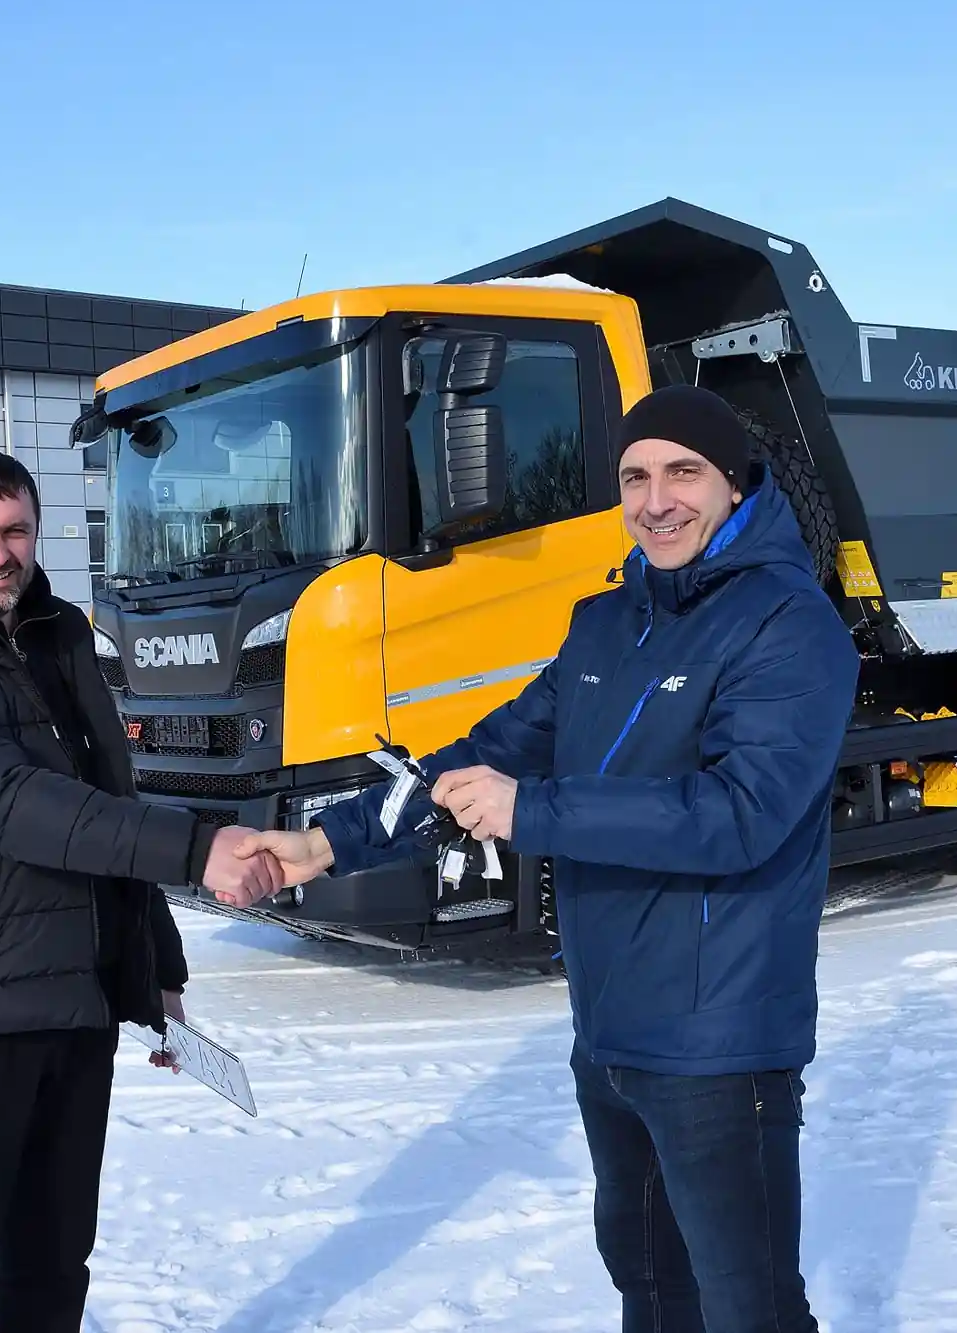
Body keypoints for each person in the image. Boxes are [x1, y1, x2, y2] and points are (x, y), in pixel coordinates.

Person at [239, 385, 859, 1333]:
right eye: (635, 477)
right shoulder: (603, 623)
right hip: (608, 1033)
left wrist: (534, 809)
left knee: (751, 1308)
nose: (657, 500)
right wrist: (326, 841)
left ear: (734, 485)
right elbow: (484, 754)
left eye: (683, 473)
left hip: (719, 1043)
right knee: (647, 1282)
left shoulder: (789, 623)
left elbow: (742, 814)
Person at [0, 446, 283, 1333]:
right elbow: (4, 801)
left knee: (52, 1270)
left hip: (73, 1006)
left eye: (15, 531)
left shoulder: (58, 631)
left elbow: (107, 796)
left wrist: (155, 967)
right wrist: (197, 848)